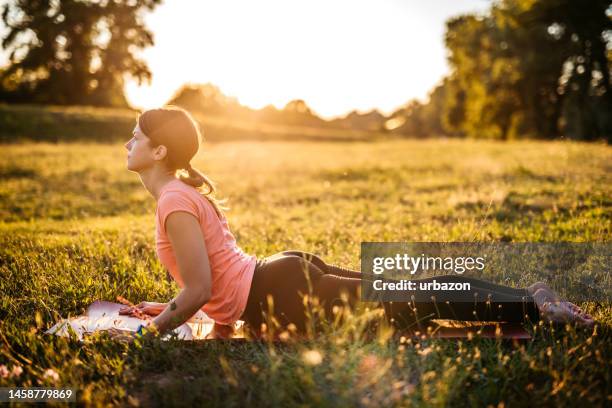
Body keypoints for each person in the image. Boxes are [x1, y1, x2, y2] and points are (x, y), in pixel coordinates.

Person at [115, 106, 594, 341]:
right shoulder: (179, 195)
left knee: (409, 303)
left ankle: (535, 307)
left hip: (278, 291)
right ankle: (528, 297)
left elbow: (200, 289)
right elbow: (210, 286)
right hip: (279, 274)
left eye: (135, 137)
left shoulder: (173, 202)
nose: (127, 143)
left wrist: (145, 334)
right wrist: (166, 308)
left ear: (159, 152)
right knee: (410, 291)